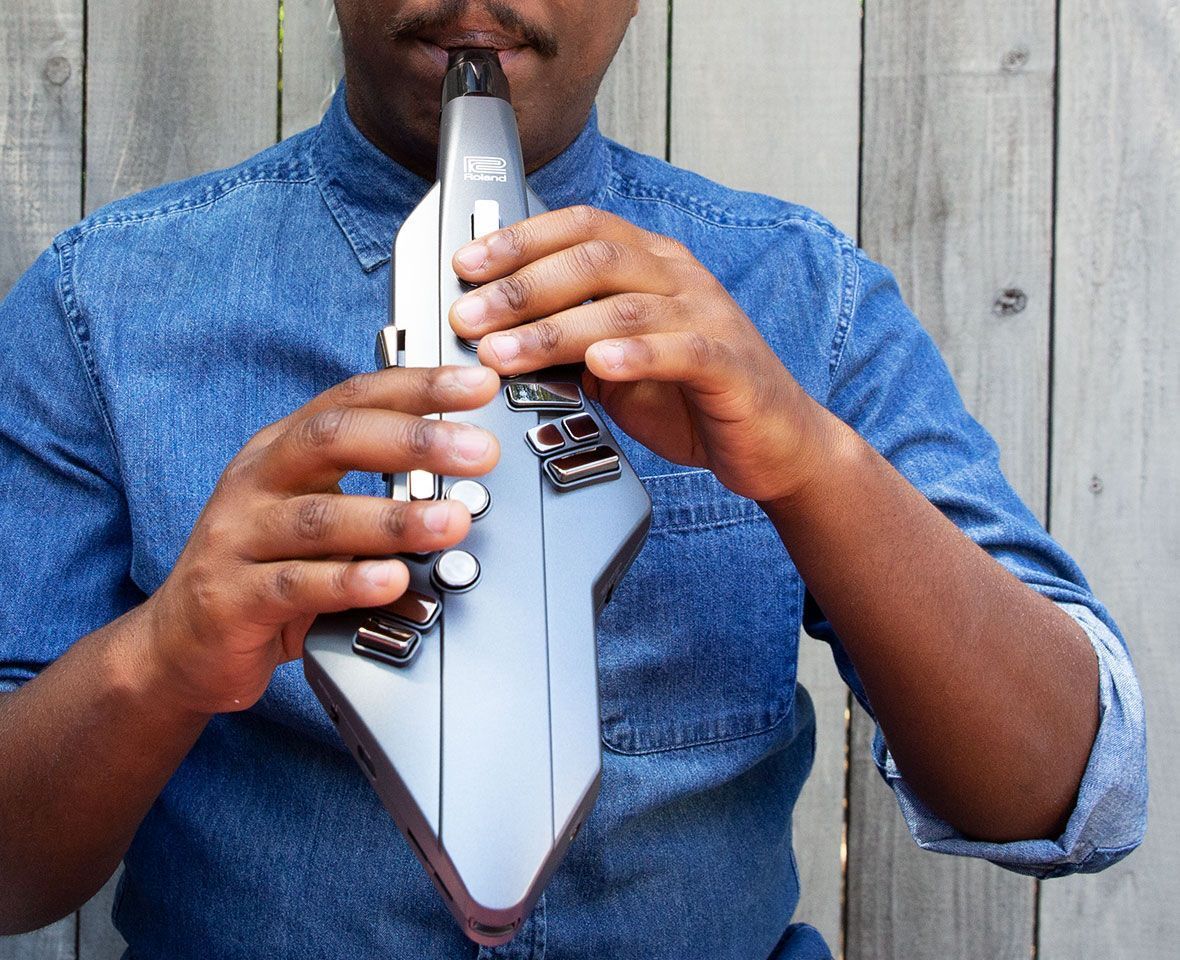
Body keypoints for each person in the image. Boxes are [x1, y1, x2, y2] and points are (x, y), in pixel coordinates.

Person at [0, 2, 1146, 958]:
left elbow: (1067, 793)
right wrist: (159, 660)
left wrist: (811, 461)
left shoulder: (806, 297)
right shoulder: (99, 309)